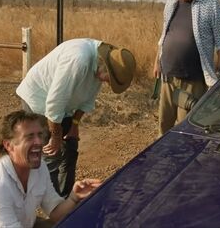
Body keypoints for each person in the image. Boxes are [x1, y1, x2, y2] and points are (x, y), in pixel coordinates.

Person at [16, 38, 136, 198]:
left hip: (62, 106)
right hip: (38, 99)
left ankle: (66, 199)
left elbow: (87, 100)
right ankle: (51, 207)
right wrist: (56, 136)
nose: (108, 83)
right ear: (105, 65)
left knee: (71, 148)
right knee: (51, 155)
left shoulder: (101, 65)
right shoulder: (78, 60)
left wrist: (74, 125)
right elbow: (54, 104)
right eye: (110, 79)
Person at [0, 110, 102, 227]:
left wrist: (74, 197)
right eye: (29, 137)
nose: (39, 142)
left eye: (40, 135)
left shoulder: (39, 169)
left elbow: (56, 213)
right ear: (9, 145)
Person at [153, 0, 220, 136]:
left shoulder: (211, 4)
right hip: (168, 78)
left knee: (185, 130)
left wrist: (218, 72)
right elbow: (164, 35)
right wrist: (157, 62)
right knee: (163, 127)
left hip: (193, 81)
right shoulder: (171, 2)